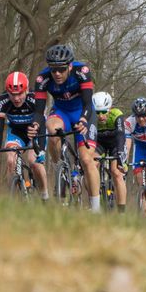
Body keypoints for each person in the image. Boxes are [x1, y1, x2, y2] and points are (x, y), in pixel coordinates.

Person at [33, 44, 102, 212]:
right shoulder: (42, 79)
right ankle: (59, 168)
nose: (57, 73)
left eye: (61, 69)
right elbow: (39, 111)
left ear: (69, 66)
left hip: (82, 112)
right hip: (61, 111)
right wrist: (35, 125)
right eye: (53, 69)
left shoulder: (81, 72)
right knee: (52, 130)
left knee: (87, 159)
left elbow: (87, 102)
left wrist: (84, 120)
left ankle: (95, 209)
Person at [0, 71, 48, 200]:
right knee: (11, 160)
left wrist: (42, 150)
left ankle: (45, 196)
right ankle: (13, 197)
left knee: (34, 162)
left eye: (20, 94)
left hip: (35, 133)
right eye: (12, 95)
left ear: (26, 90)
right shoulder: (2, 101)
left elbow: (42, 124)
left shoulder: (35, 98)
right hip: (16, 133)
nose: (16, 99)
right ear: (7, 92)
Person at [92, 91, 128, 212]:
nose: (100, 116)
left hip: (115, 143)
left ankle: (121, 211)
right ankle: (94, 203)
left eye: (104, 112)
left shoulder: (117, 114)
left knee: (116, 173)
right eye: (97, 112)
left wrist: (120, 156)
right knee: (91, 165)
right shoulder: (90, 116)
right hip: (99, 142)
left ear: (110, 108)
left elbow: (121, 135)